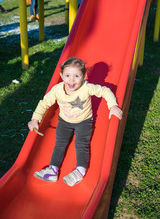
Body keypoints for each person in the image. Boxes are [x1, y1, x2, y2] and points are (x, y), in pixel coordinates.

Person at [28, 58, 123, 186]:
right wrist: (35, 119)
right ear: (61, 76)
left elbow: (105, 91)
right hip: (64, 121)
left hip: (84, 122)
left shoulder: (87, 87)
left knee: (81, 144)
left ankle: (80, 170)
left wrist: (113, 106)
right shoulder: (57, 89)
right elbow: (44, 103)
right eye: (67, 76)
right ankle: (53, 170)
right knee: (59, 144)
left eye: (76, 76)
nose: (71, 80)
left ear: (84, 76)